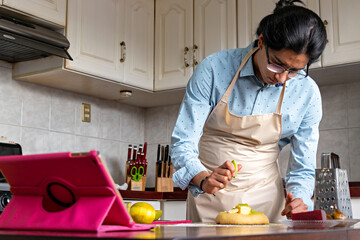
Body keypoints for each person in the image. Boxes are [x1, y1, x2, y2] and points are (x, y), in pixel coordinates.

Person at [170, 0, 327, 223]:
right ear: (262, 42)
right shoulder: (214, 69)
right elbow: (182, 142)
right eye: (277, 65)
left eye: (294, 71)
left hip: (266, 199)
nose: (281, 78)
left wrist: (300, 199)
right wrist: (204, 179)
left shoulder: (307, 93)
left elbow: (302, 168)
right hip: (209, 194)